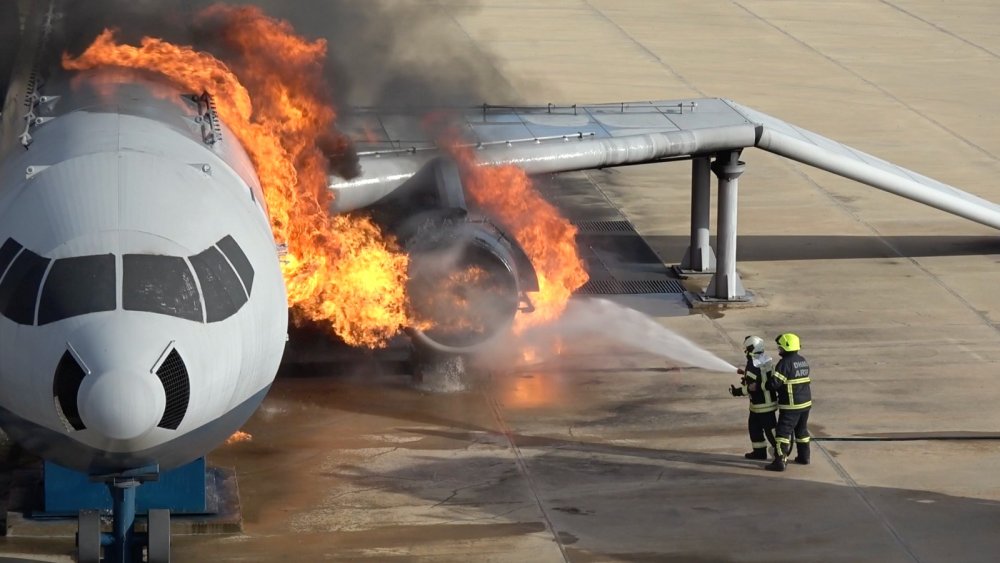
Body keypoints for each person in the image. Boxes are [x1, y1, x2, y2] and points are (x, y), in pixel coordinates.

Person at [765, 333, 812, 472]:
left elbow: (774, 383)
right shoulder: (802, 361)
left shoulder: (784, 363)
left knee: (782, 433)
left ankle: (780, 461)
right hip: (805, 404)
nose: (779, 349)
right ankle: (804, 457)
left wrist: (766, 382)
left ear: (786, 347)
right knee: (801, 431)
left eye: (780, 347)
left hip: (791, 405)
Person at [730, 335, 778, 460]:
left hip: (762, 404)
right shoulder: (765, 359)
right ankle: (759, 452)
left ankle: (780, 451)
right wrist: (746, 378)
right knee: (755, 428)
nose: (745, 352)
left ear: (751, 349)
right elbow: (760, 378)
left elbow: (752, 388)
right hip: (763, 403)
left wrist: (737, 391)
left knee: (769, 430)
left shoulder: (752, 364)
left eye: (746, 349)